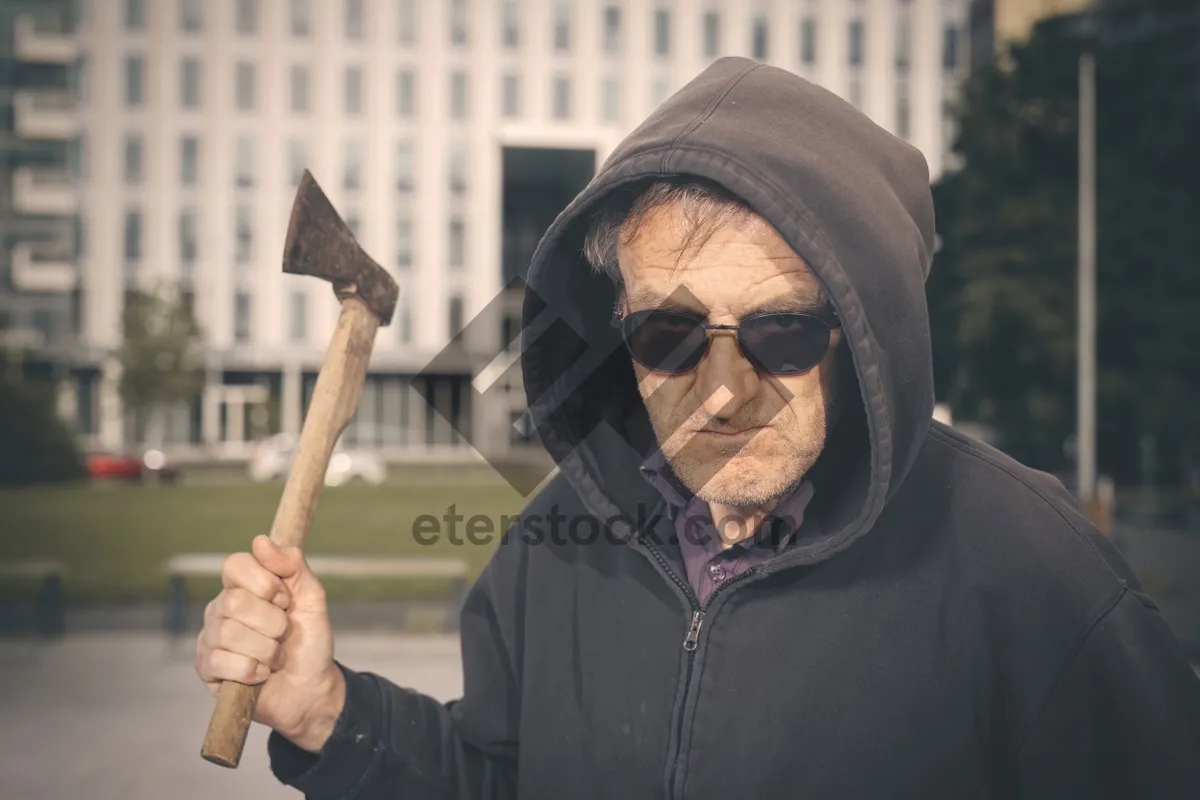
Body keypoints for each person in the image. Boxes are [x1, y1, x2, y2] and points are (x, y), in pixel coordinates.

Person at [195, 57, 1200, 798]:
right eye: (669, 330)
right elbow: (502, 778)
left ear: (861, 333)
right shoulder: (552, 545)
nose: (722, 390)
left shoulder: (1030, 567)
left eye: (782, 327)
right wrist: (326, 707)